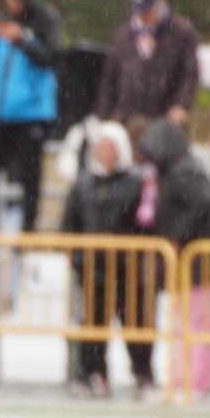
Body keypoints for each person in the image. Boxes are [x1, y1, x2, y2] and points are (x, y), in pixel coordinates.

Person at [60, 122, 154, 397]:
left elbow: (146, 223)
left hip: (128, 269)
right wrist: (76, 255)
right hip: (93, 270)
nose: (106, 153)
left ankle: (143, 374)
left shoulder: (136, 182)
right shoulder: (83, 183)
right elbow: (69, 223)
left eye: (111, 147)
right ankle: (95, 374)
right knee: (93, 326)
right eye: (102, 147)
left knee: (136, 324)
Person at [141, 119, 210, 396]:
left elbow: (200, 203)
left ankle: (193, 380)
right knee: (188, 322)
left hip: (197, 261)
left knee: (194, 323)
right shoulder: (183, 169)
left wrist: (176, 236)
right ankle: (185, 378)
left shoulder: (183, 172)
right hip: (193, 260)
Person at [0, 0, 62, 232]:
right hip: (0, 113)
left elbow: (51, 57)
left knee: (28, 177)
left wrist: (22, 40)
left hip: (32, 113)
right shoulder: (1, 21)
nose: (10, 4)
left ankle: (28, 229)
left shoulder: (45, 20)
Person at [94, 0, 201, 128]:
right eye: (139, 11)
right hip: (128, 116)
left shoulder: (181, 33)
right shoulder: (123, 35)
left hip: (165, 115)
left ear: (159, 2)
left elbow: (190, 73)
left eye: (147, 10)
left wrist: (181, 105)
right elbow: (109, 78)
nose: (144, 16)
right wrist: (106, 114)